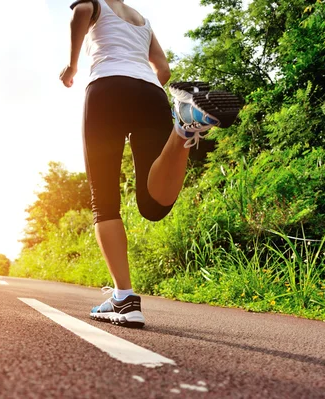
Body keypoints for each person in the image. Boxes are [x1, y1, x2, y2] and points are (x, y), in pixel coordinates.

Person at [60, 0, 242, 328]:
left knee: (104, 200)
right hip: (150, 94)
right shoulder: (142, 20)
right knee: (153, 206)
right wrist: (150, 82)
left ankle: (124, 298)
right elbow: (164, 69)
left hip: (107, 88)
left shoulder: (94, 4)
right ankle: (183, 126)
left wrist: (72, 65)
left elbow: (80, 14)